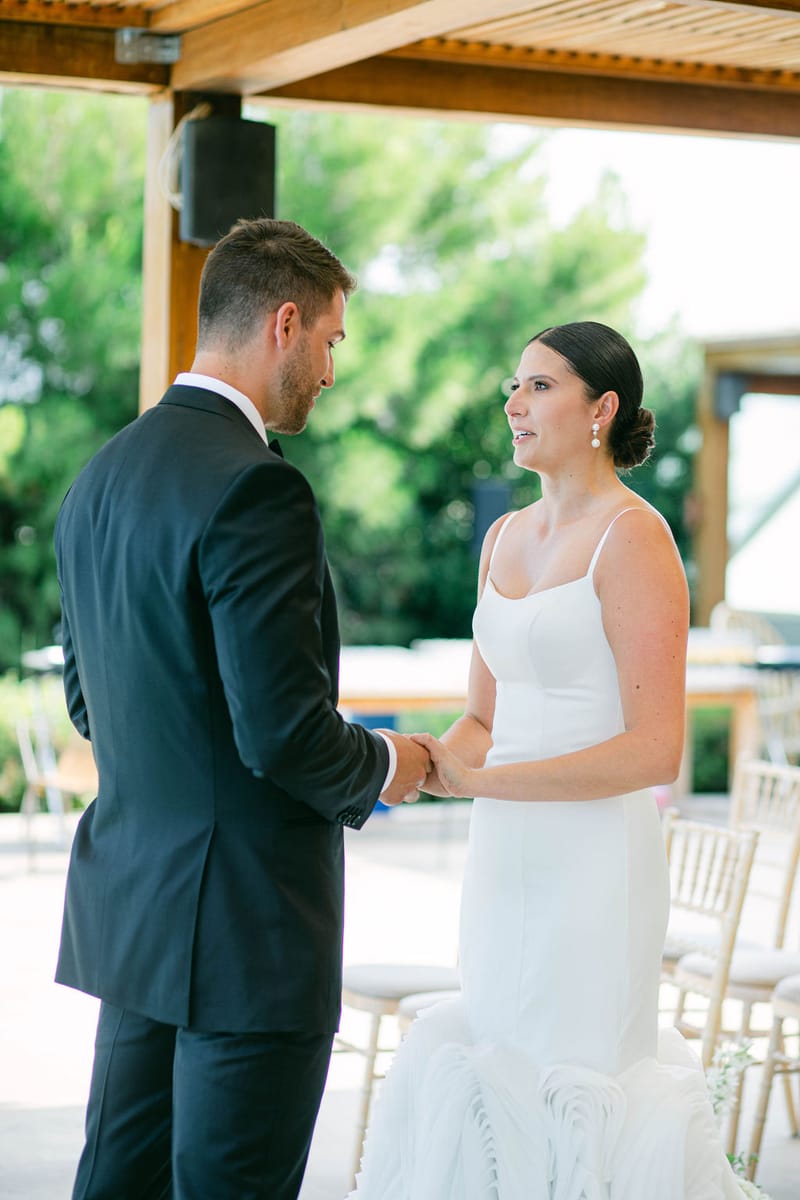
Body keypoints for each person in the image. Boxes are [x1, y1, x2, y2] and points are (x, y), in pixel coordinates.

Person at [54, 217, 430, 1200]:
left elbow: (91, 701)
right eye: (332, 343)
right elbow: (282, 731)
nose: (331, 372)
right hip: (249, 934)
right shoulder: (259, 490)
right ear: (287, 323)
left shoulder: (99, 478)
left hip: (137, 919)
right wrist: (399, 765)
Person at [349, 321, 742, 1198]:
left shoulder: (634, 539)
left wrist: (484, 783)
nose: (512, 404)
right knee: (497, 1063)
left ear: (601, 408)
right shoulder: (504, 538)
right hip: (504, 862)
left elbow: (655, 749)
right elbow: (483, 719)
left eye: (539, 387)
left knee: (578, 1075)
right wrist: (413, 764)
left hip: (595, 865)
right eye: (513, 385)